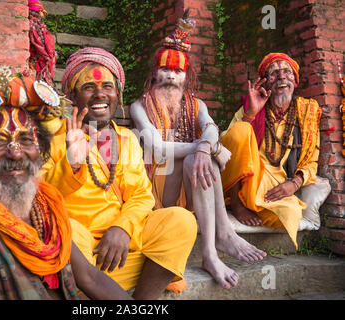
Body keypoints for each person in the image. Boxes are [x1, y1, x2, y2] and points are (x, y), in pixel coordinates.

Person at [0, 68, 132, 300]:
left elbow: (90, 278)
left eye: (26, 140)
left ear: (40, 149)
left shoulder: (46, 211)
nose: (16, 153)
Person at [42, 47, 197, 299]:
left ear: (118, 94)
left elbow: (141, 196)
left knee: (181, 221)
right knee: (64, 230)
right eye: (89, 87)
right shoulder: (52, 137)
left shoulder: (127, 138)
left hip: (122, 242)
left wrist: (122, 228)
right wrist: (71, 163)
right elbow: (42, 197)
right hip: (79, 249)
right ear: (72, 96)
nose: (100, 94)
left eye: (107, 86)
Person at [130, 15, 266, 290]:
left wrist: (206, 147)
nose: (170, 76)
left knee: (200, 158)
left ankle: (212, 250)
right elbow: (157, 148)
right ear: (154, 74)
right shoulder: (139, 106)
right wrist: (207, 147)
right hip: (159, 188)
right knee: (200, 156)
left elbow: (211, 129)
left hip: (193, 185)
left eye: (178, 71)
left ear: (186, 77)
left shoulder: (197, 105)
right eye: (165, 70)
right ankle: (221, 236)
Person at [221, 52, 322, 249]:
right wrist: (250, 115)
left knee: (289, 215)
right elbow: (227, 143)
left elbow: (312, 160)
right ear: (266, 82)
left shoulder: (306, 112)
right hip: (246, 178)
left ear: (295, 80)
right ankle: (237, 203)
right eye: (274, 74)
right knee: (241, 129)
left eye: (287, 72)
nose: (282, 77)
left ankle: (255, 206)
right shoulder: (251, 105)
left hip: (275, 187)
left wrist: (294, 184)